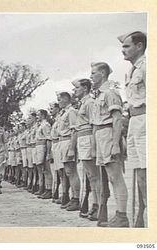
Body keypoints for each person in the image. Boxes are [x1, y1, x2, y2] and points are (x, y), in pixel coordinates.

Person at [90, 62, 129, 227]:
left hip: (108, 134)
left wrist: (115, 144)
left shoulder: (110, 93)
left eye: (94, 73)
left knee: (115, 177)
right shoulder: (98, 96)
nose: (91, 76)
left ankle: (122, 216)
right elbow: (95, 124)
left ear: (103, 73)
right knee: (108, 177)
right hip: (100, 135)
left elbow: (117, 119)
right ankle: (117, 216)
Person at [118, 31, 146, 227]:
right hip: (134, 121)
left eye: (127, 46)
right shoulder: (132, 70)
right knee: (139, 170)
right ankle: (142, 215)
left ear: (140, 46)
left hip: (146, 119)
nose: (123, 50)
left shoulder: (147, 67)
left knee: (147, 169)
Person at [72, 79, 100, 220]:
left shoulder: (89, 103)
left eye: (77, 87)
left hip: (88, 138)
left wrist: (94, 146)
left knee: (94, 176)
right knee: (90, 176)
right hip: (82, 139)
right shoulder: (83, 103)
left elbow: (94, 124)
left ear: (85, 88)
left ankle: (98, 206)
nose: (74, 90)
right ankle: (94, 206)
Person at [57, 92, 81, 211]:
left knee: (72, 171)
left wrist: (72, 148)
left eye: (60, 99)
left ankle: (76, 199)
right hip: (62, 142)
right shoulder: (64, 112)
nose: (59, 102)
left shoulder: (71, 111)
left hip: (68, 142)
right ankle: (72, 197)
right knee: (67, 171)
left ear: (66, 99)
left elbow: (74, 130)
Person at [35, 109, 53, 199]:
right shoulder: (40, 125)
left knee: (47, 169)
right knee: (43, 170)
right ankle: (46, 188)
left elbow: (49, 139)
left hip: (43, 147)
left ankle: (49, 190)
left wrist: (48, 152)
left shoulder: (46, 125)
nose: (37, 117)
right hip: (39, 147)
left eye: (38, 115)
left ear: (42, 115)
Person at [49, 103, 63, 204]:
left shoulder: (61, 117)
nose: (51, 111)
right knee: (58, 171)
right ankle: (59, 193)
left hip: (59, 143)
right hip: (55, 144)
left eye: (52, 108)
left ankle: (63, 194)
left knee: (62, 172)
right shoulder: (55, 120)